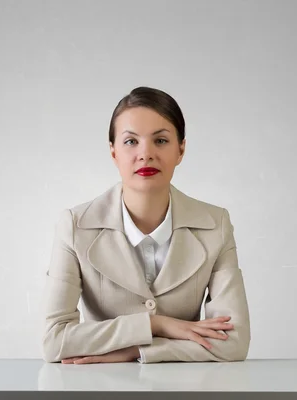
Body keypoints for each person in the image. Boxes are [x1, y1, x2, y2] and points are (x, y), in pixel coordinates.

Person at [41, 86, 251, 364]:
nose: (145, 154)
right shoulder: (75, 225)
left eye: (161, 140)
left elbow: (233, 343)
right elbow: (54, 342)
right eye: (130, 142)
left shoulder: (216, 224)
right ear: (113, 152)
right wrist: (156, 325)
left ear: (181, 149)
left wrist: (136, 350)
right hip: (100, 387)